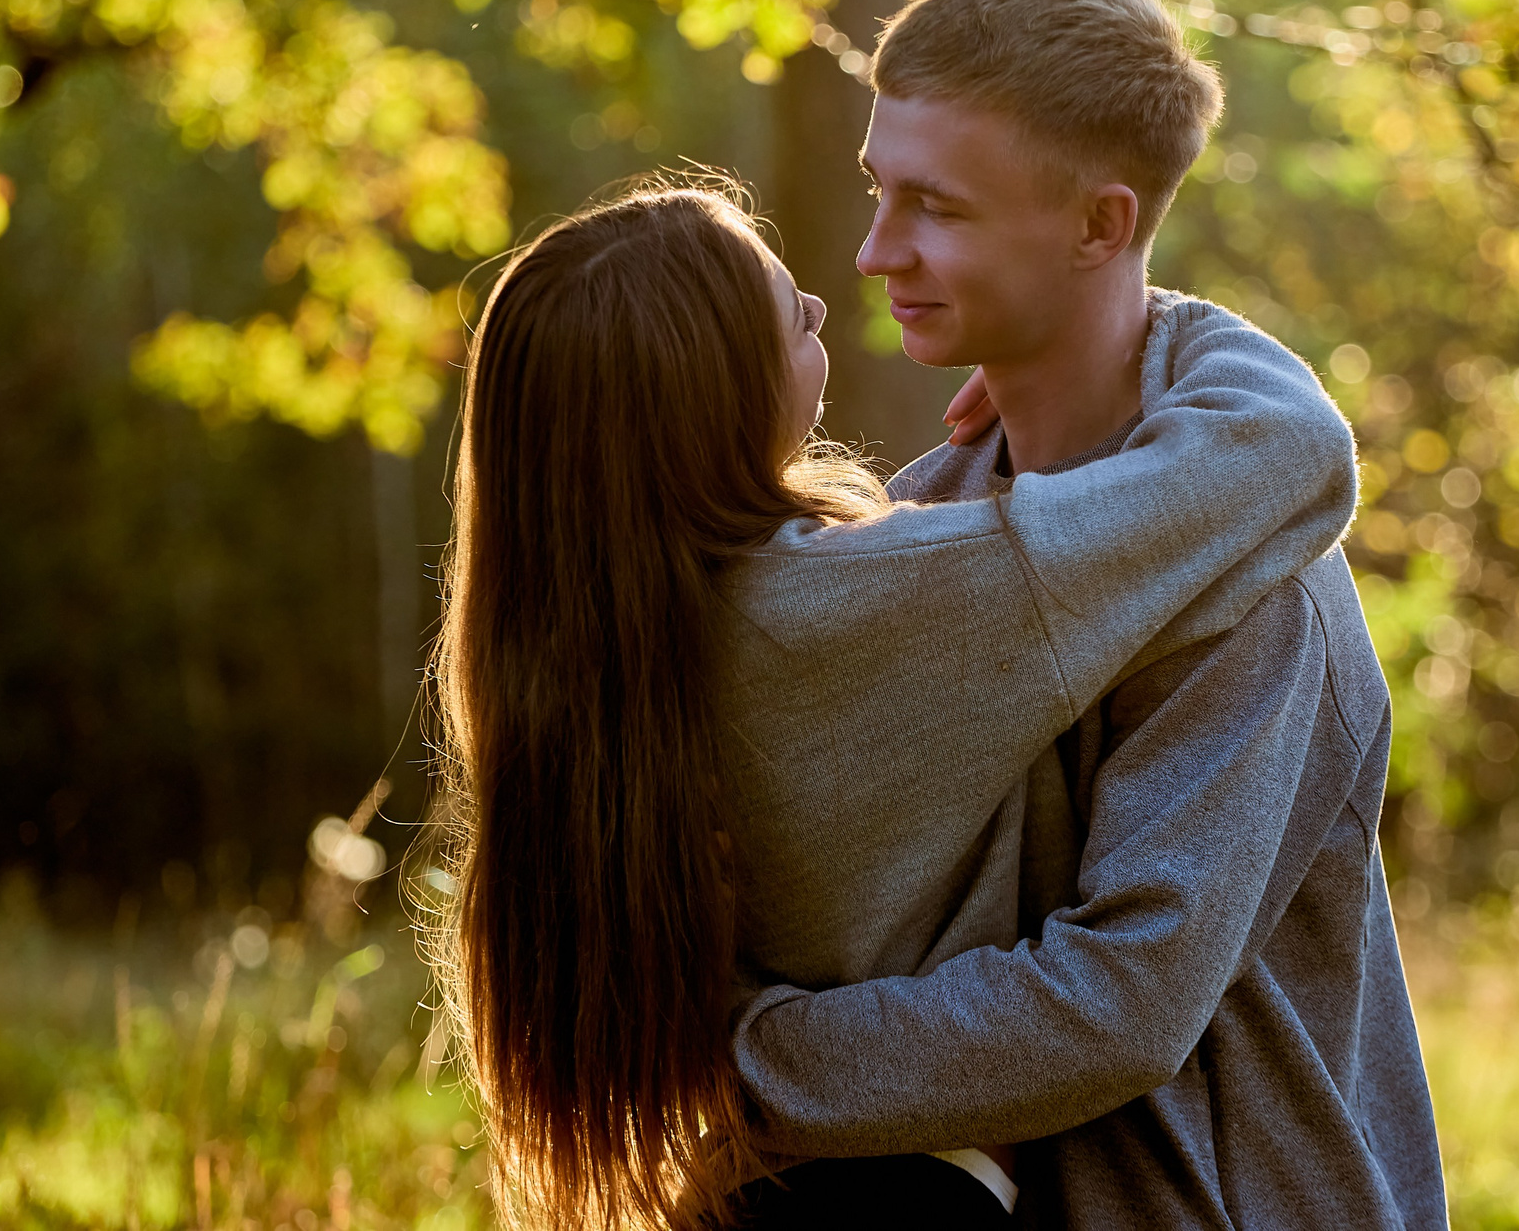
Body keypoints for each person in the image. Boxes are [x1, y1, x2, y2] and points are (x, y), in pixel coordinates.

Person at [420, 179, 1358, 1230]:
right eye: (789, 314)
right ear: (709, 389)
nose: (827, 301)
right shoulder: (855, 609)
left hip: (759, 1188)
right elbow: (1290, 448)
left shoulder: (591, 643)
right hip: (916, 1187)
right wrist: (1136, 332)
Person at [729, 0, 1449, 1227]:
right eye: (880, 189)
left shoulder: (1255, 590)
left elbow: (1121, 1003)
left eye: (936, 207)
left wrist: (726, 1065)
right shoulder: (926, 523)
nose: (876, 250)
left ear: (1100, 228)